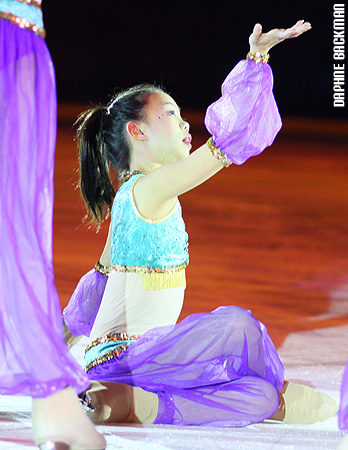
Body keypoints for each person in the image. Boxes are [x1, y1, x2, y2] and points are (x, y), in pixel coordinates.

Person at [63, 20, 337, 427]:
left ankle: (128, 403)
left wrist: (52, 349)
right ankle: (113, 399)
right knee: (237, 328)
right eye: (171, 114)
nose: (185, 123)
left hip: (140, 364)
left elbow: (97, 286)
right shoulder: (151, 188)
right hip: (131, 356)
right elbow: (221, 149)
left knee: (258, 395)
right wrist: (257, 59)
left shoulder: (133, 199)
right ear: (137, 131)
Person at [0, 1, 107, 449]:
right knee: (14, 220)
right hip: (15, 35)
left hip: (19, 34)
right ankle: (55, 411)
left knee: (14, 218)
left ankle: (55, 410)